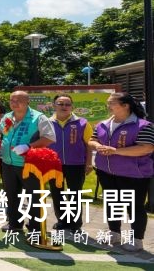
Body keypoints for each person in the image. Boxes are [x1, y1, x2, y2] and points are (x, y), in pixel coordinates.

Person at [89, 92, 154, 252]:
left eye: (112, 103)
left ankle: (137, 240)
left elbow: (146, 148)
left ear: (126, 106)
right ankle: (114, 233)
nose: (108, 106)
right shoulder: (103, 124)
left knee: (134, 207)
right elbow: (92, 140)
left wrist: (115, 151)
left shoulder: (143, 125)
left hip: (134, 174)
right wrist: (97, 146)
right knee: (112, 203)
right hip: (106, 171)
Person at [0, 91, 56, 233]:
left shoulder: (38, 118)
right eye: (12, 100)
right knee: (11, 195)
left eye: (18, 100)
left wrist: (29, 146)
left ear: (27, 101)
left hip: (29, 164)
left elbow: (50, 137)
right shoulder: (8, 116)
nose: (14, 103)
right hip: (7, 162)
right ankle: (14, 223)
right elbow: (4, 132)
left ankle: (35, 226)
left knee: (33, 196)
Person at [48, 94, 93, 233]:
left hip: (76, 164)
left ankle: (75, 223)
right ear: (54, 105)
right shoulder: (46, 122)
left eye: (67, 104)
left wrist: (89, 163)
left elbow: (89, 144)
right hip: (54, 165)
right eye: (60, 104)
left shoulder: (83, 123)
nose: (64, 107)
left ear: (72, 107)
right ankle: (62, 220)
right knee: (57, 193)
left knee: (75, 194)